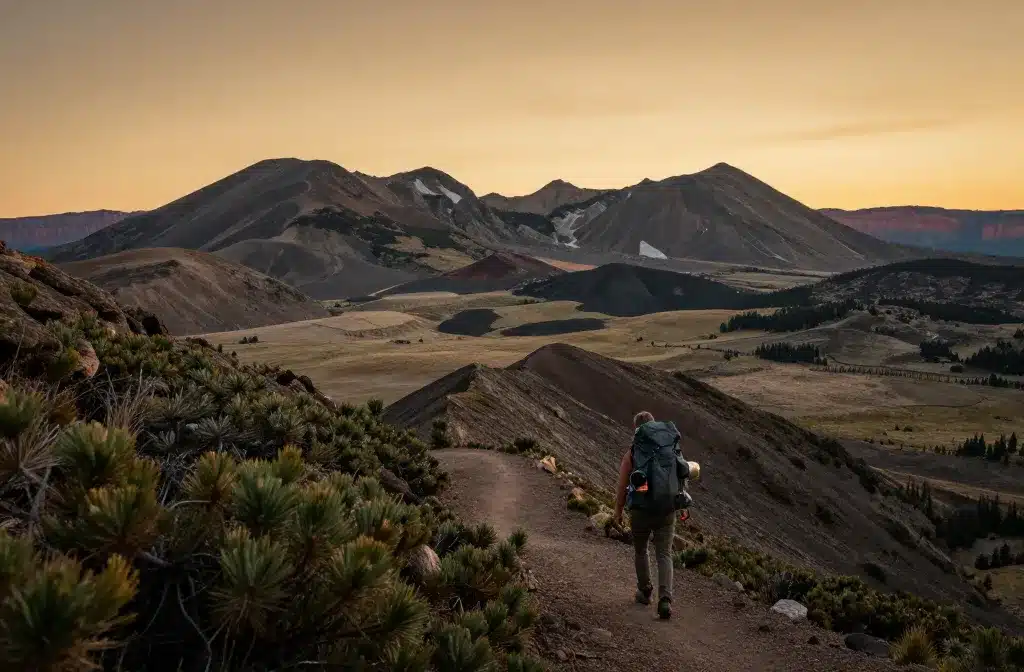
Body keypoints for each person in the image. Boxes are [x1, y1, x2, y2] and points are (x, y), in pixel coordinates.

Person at [614, 411, 680, 620]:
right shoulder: (669, 448)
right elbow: (680, 475)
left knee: (641, 550)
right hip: (666, 509)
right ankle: (665, 601)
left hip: (640, 510)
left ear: (637, 429)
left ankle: (645, 591)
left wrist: (618, 511)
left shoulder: (633, 452)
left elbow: (623, 484)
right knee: (664, 554)